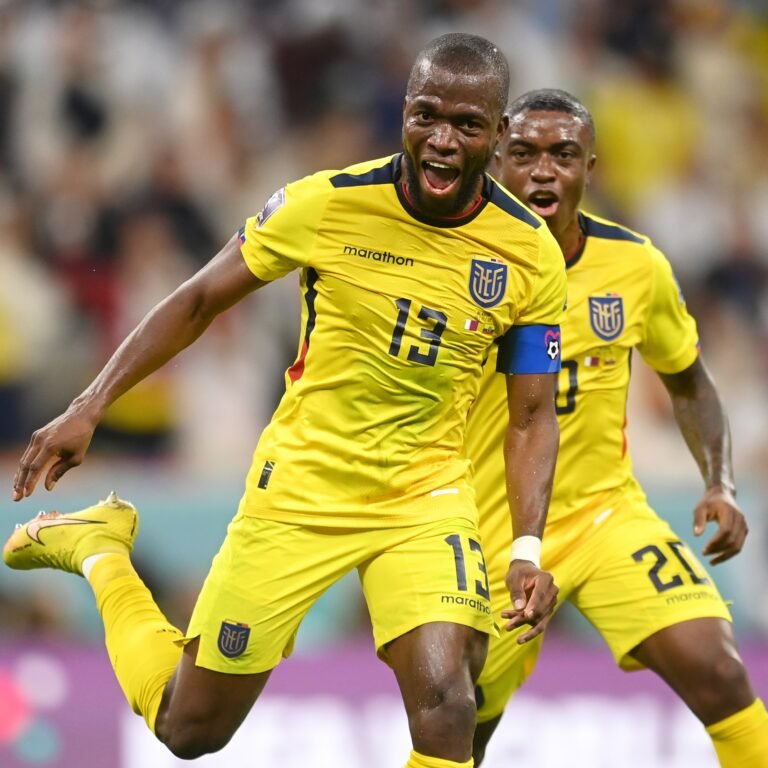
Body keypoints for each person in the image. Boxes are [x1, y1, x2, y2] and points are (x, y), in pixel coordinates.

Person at [3, 35, 567, 768]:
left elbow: (530, 414)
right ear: (401, 113)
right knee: (188, 730)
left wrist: (526, 547)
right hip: (302, 486)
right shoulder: (325, 205)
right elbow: (201, 297)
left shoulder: (529, 253)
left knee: (448, 705)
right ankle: (102, 550)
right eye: (425, 115)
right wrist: (91, 403)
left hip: (424, 495)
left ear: (497, 135)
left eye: (466, 123)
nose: (441, 138)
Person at [467, 89, 768, 767]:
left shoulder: (636, 266)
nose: (543, 171)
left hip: (603, 515)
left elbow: (689, 379)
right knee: (459, 723)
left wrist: (720, 482)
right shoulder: (459, 265)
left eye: (563, 155)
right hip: (488, 527)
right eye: (524, 154)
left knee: (719, 671)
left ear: (590, 168)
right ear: (495, 161)